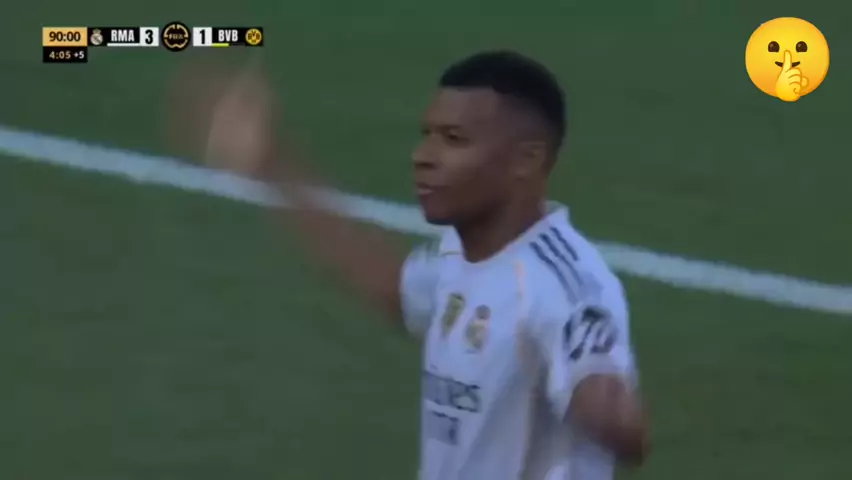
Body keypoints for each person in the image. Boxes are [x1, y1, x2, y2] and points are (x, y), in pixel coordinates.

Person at [201, 50, 649, 479]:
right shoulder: (463, 253)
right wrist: (272, 166)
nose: (423, 156)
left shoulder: (565, 286)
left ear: (525, 159)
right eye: (427, 134)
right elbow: (392, 285)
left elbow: (624, 425)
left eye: (453, 139)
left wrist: (605, 405)